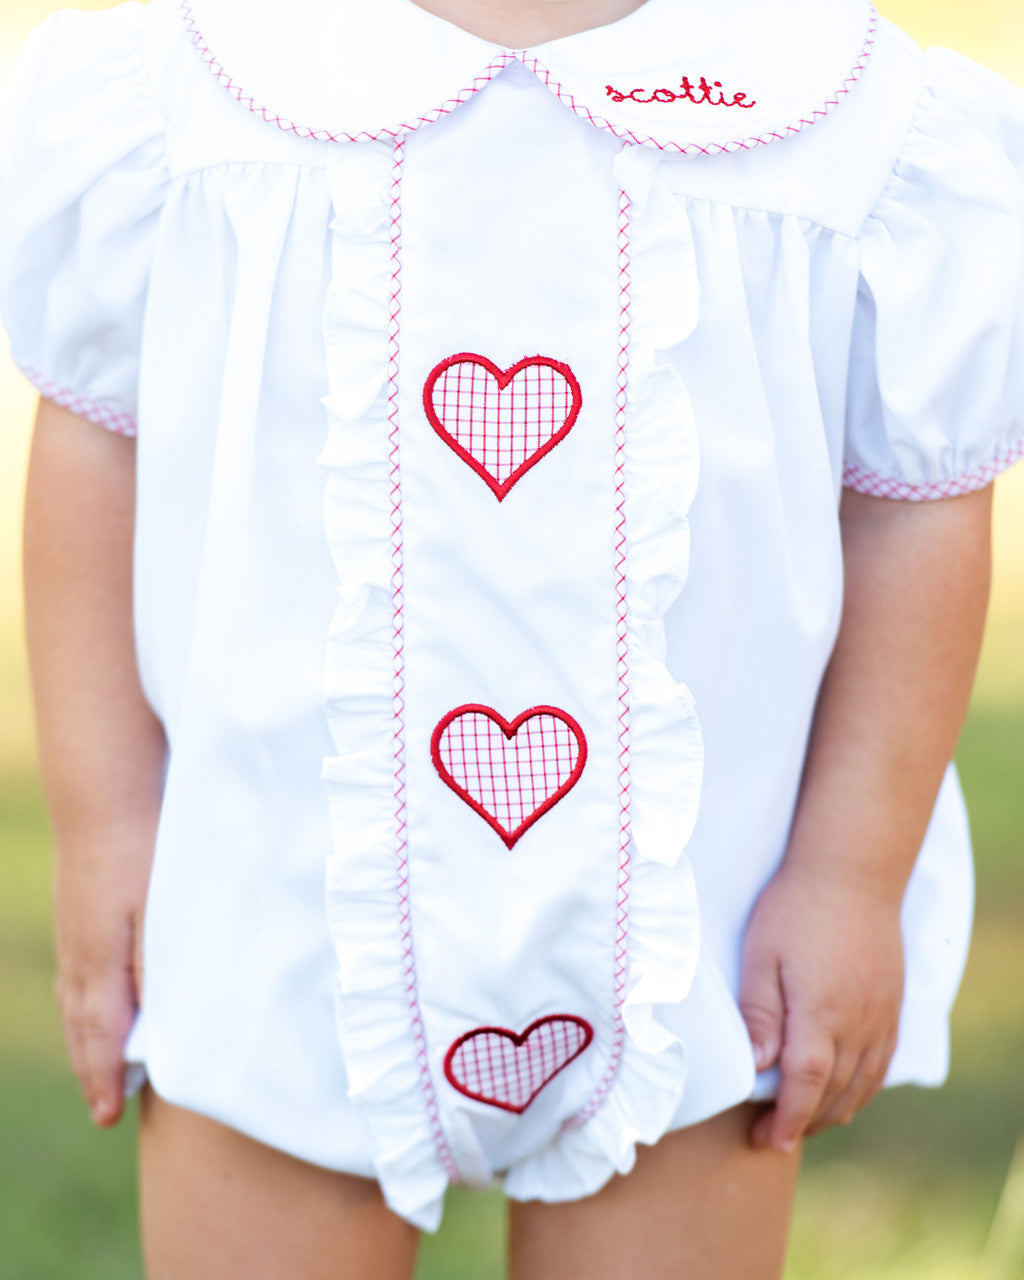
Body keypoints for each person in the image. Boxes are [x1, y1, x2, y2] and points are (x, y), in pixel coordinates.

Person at [2, 0, 1022, 1275]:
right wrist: (106, 825)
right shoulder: (200, 84)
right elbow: (100, 438)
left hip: (697, 935)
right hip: (270, 905)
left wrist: (849, 876)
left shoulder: (836, 113)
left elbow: (911, 508)